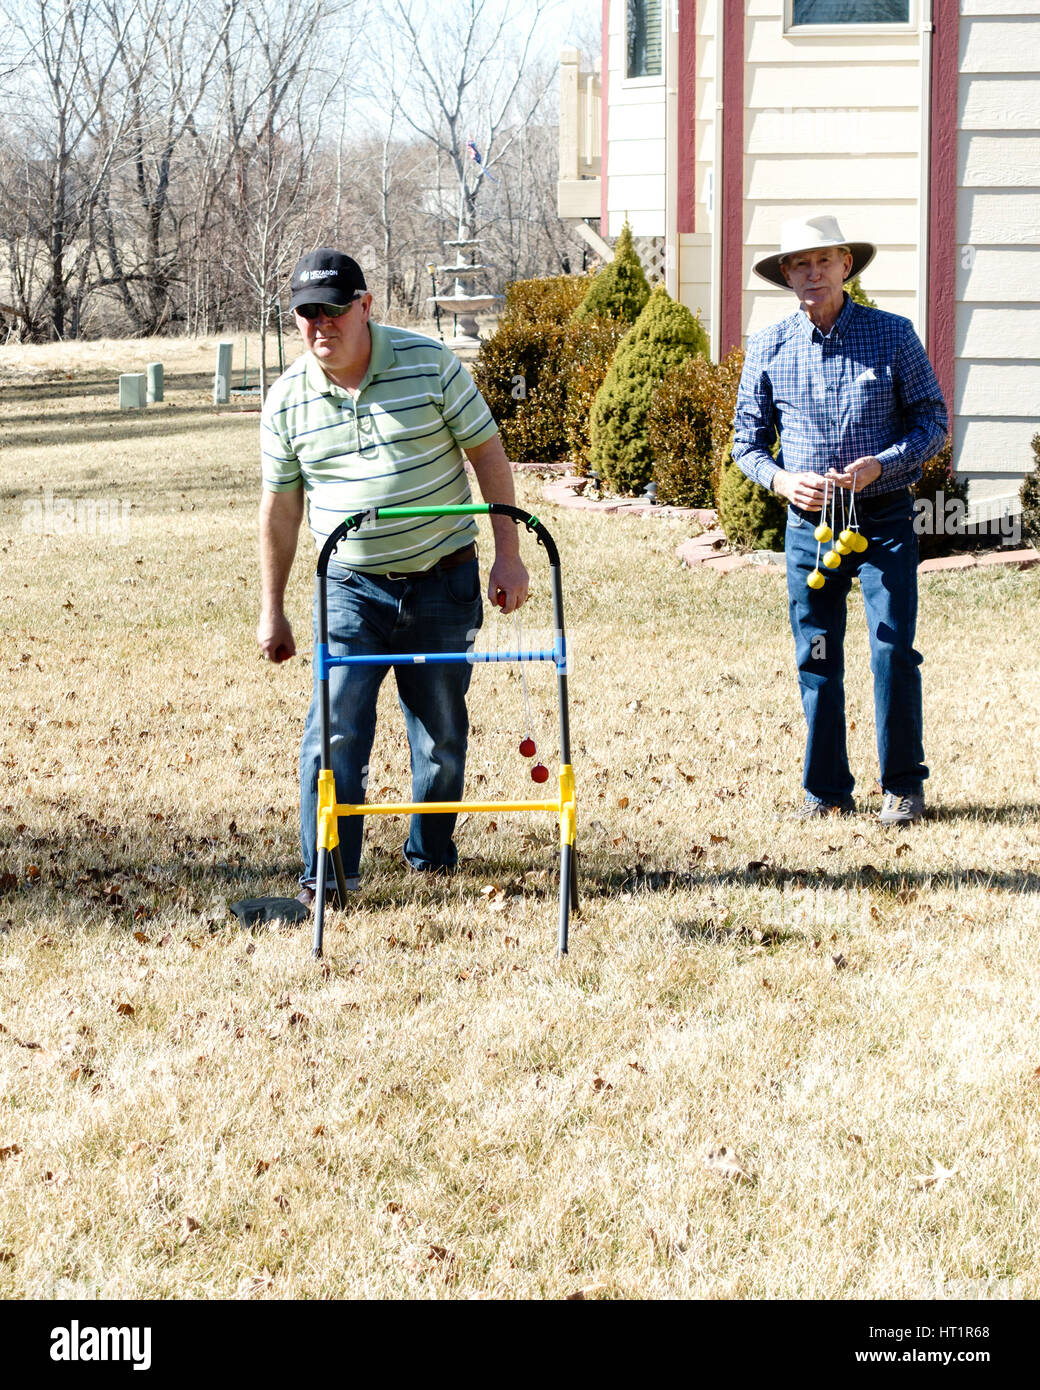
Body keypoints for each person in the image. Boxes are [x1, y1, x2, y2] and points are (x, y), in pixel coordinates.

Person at [257, 248, 529, 906]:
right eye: (306, 313)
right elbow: (282, 507)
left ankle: (430, 857)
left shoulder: (430, 364)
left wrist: (508, 551)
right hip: (350, 587)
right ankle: (328, 880)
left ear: (365, 307)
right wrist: (273, 608)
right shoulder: (288, 399)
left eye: (333, 309)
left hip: (444, 577)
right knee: (335, 730)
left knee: (441, 737)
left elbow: (486, 452)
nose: (321, 324)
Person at [732, 215, 948, 824]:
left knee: (891, 649)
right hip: (810, 528)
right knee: (817, 654)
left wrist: (880, 466)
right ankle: (825, 792)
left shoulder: (893, 335)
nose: (812, 273)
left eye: (823, 260)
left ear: (846, 266)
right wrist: (780, 479)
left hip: (882, 520)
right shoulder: (769, 347)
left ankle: (902, 786)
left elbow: (933, 423)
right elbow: (744, 444)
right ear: (785, 276)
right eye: (799, 264)